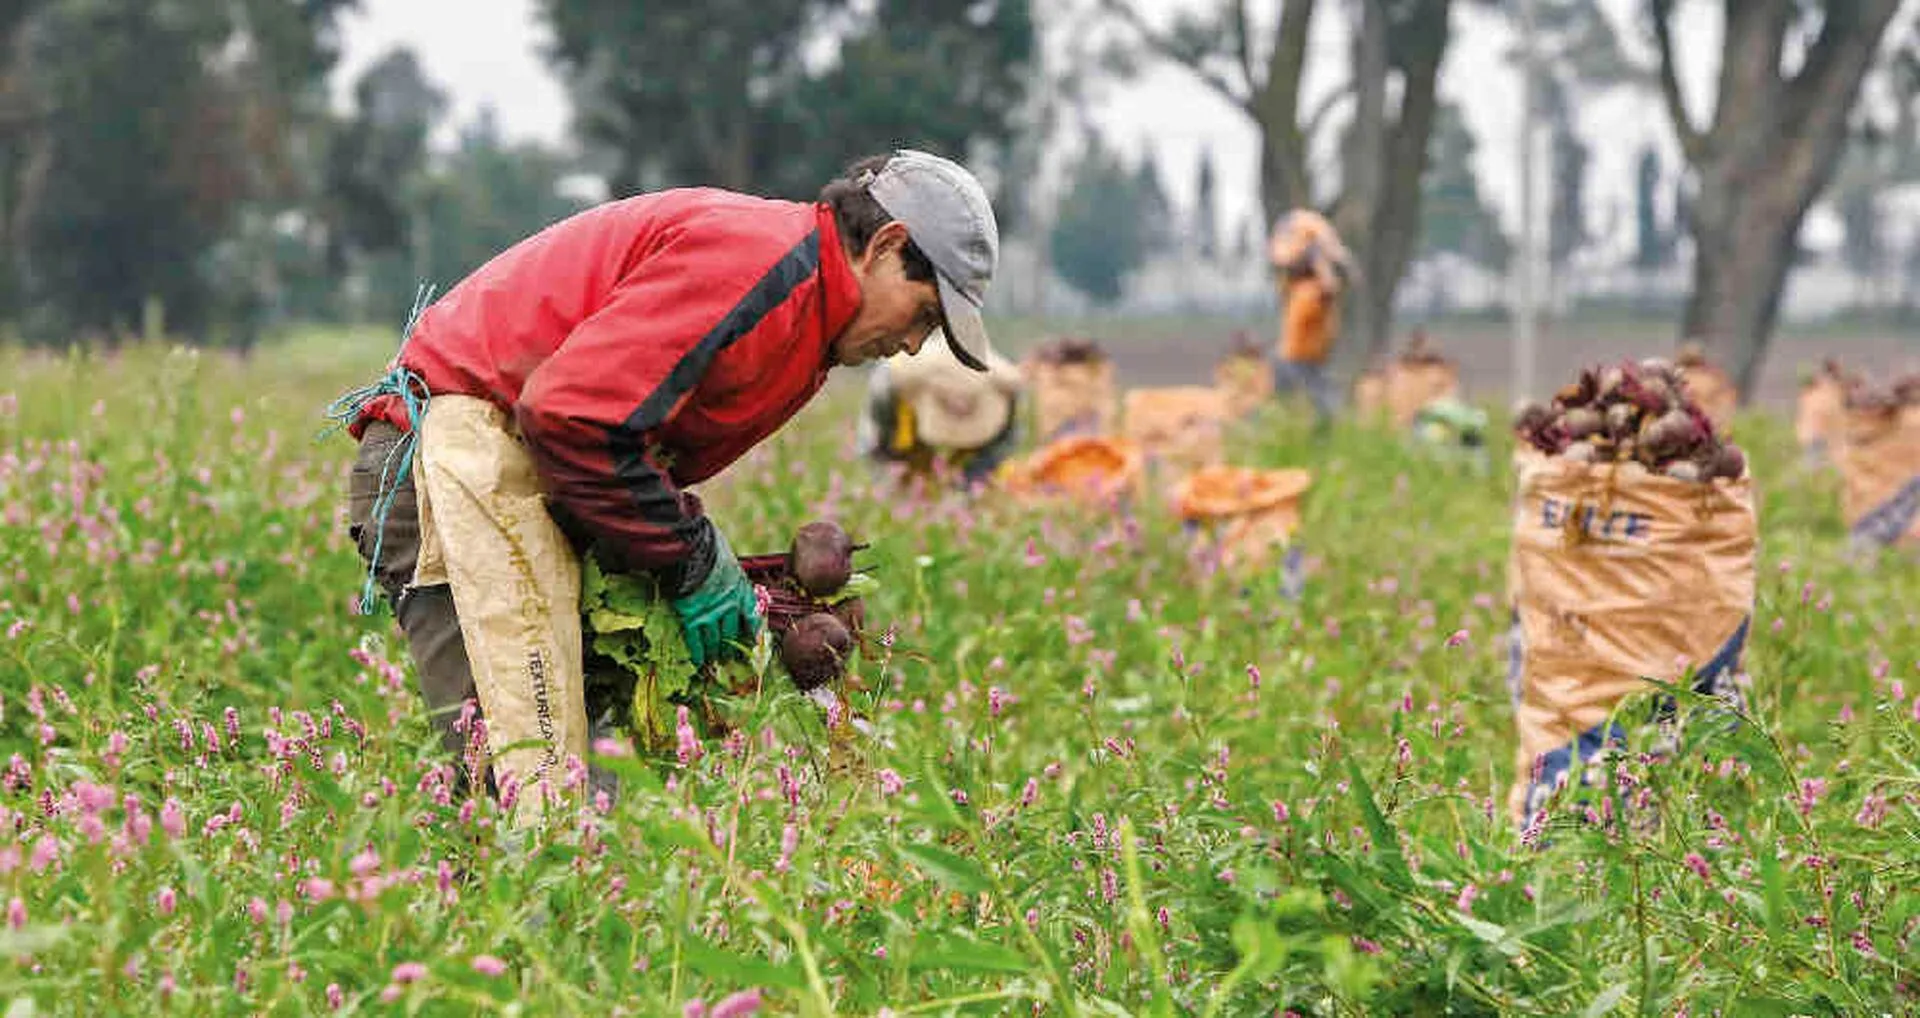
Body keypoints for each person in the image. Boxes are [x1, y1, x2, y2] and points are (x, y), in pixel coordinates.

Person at [331, 150, 1001, 817]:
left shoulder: (805, 310)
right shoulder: (757, 260)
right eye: (923, 315)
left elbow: (616, 442)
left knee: (572, 801)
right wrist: (689, 558)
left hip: (518, 477)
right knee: (523, 796)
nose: (914, 345)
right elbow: (572, 417)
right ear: (886, 244)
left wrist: (741, 581)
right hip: (457, 464)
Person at [857, 329, 1024, 489]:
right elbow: (877, 449)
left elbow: (999, 450)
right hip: (903, 450)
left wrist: (969, 485)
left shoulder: (1006, 390)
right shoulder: (890, 385)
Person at [1267, 208, 1355, 430]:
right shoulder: (1311, 292)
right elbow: (1331, 287)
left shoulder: (1299, 289)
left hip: (1299, 361)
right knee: (1328, 414)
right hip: (1298, 363)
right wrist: (1320, 259)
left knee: (1309, 413)